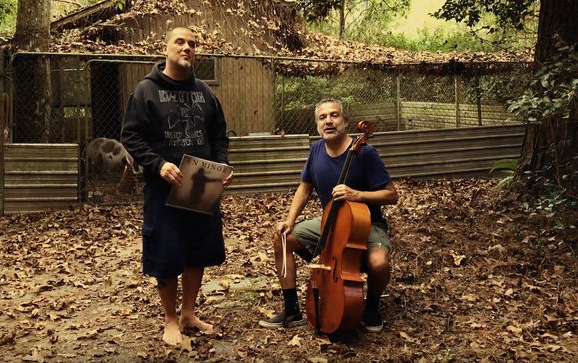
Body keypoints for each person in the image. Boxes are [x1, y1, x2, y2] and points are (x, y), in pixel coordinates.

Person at [121, 26, 232, 346]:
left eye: (193, 44)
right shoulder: (146, 91)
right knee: (167, 253)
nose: (187, 48)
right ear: (165, 47)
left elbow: (219, 135)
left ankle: (188, 313)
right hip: (163, 188)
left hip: (201, 183)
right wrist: (158, 165)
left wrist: (223, 165)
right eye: (180, 42)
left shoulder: (205, 92)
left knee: (197, 251)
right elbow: (130, 136)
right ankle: (170, 320)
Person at [258, 98, 398, 332]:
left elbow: (391, 195)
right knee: (282, 240)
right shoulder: (316, 150)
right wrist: (289, 220)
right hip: (331, 222)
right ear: (317, 125)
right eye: (323, 118)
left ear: (345, 121)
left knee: (379, 262)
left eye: (334, 115)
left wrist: (357, 194)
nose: (328, 121)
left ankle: (372, 307)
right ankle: (292, 309)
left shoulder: (365, 152)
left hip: (368, 223)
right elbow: (305, 187)